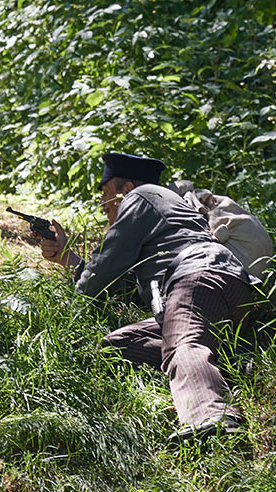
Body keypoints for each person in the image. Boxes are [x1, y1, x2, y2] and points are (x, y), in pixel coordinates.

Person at [40, 152, 258, 446]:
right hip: (218, 285)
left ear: (126, 188)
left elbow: (104, 267)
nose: (104, 206)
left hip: (197, 279)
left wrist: (72, 306)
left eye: (106, 194)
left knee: (184, 345)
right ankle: (232, 368)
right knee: (116, 346)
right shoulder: (162, 214)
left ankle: (211, 416)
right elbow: (122, 284)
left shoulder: (142, 197)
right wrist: (69, 259)